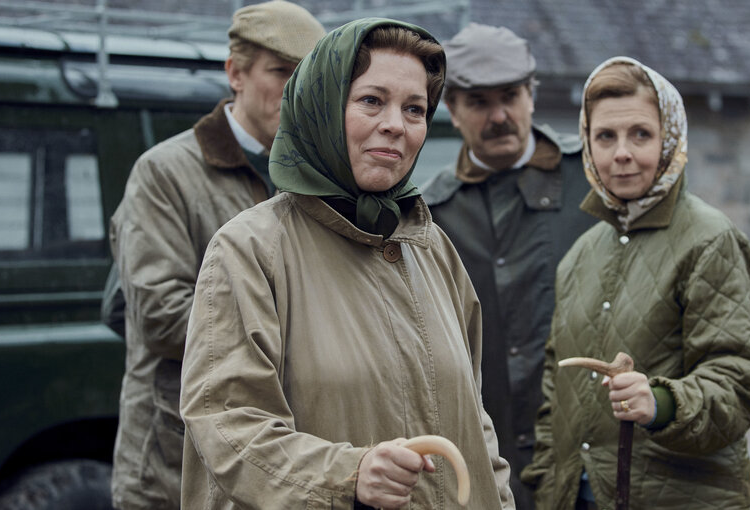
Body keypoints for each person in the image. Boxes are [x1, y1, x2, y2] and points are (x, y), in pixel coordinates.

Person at [179, 19, 515, 509]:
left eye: (415, 109)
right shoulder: (249, 250)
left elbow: (474, 419)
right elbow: (228, 426)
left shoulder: (433, 248)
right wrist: (347, 475)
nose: (395, 125)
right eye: (371, 101)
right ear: (322, 107)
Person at [520, 56, 750, 509]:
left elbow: (738, 383)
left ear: (670, 137)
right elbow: (556, 392)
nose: (622, 153)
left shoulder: (710, 241)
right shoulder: (580, 255)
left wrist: (662, 403)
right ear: (588, 145)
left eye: (641, 134)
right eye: (605, 137)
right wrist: (547, 484)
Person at [107, 3, 324, 508]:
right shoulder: (165, 173)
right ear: (235, 74)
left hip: (285, 462)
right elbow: (159, 316)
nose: (296, 91)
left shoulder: (320, 178)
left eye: (308, 77)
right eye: (280, 72)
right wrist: (308, 333)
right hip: (175, 466)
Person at [420, 22, 597, 510]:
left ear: (532, 96)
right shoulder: (430, 215)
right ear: (452, 110)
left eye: (510, 96)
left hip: (586, 464)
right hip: (485, 465)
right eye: (479, 102)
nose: (499, 116)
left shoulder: (594, 182)